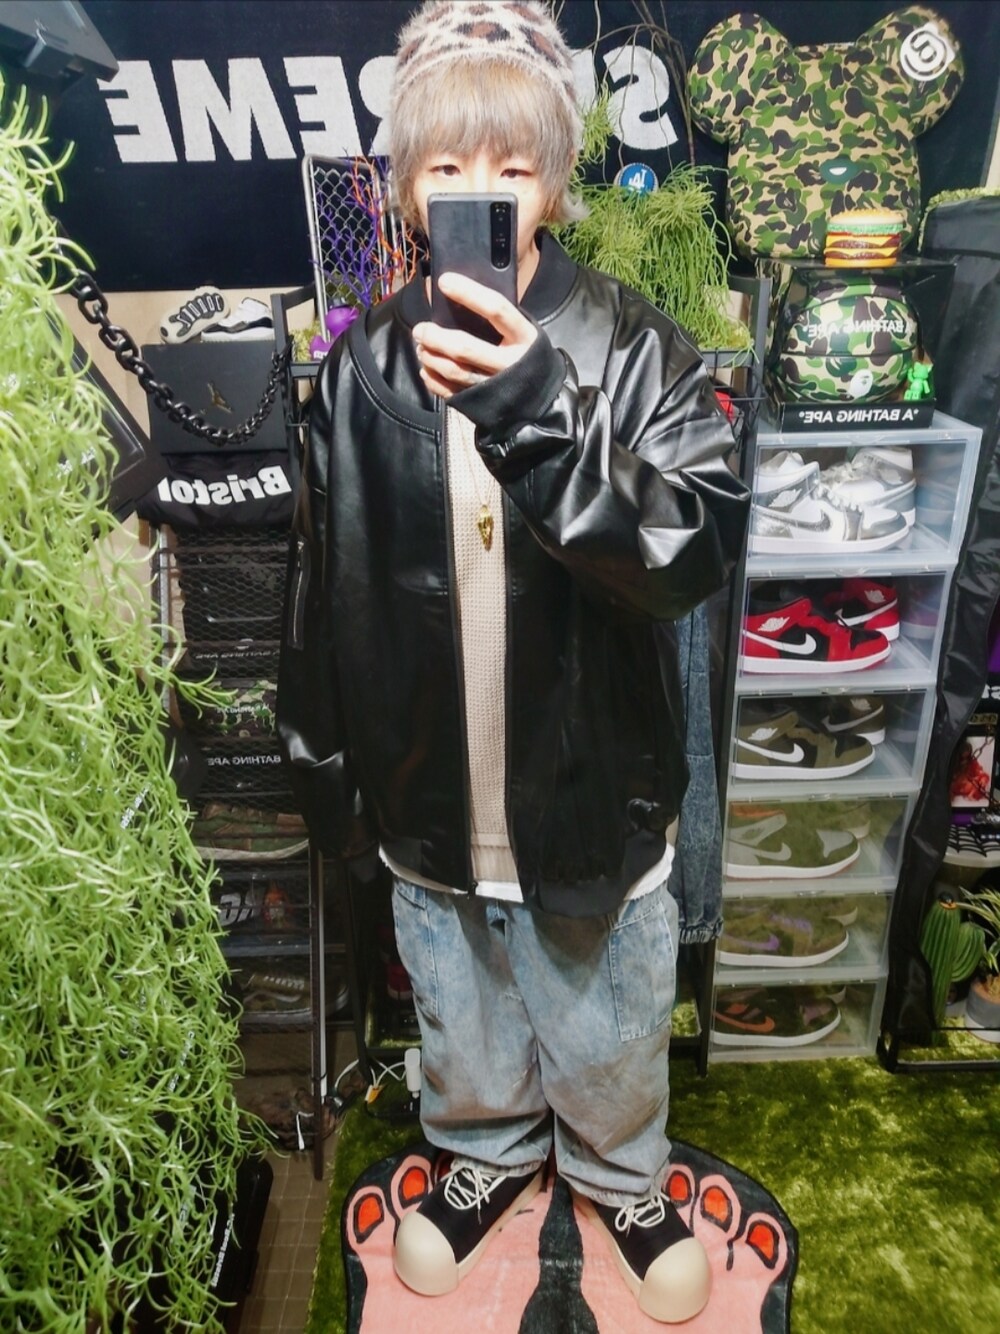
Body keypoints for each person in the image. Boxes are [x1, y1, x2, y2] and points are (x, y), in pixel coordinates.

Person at [277, 0, 749, 1323]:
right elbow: (321, 594)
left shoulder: (631, 346)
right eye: (445, 166)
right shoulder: (363, 372)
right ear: (406, 188)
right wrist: (326, 774)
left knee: (607, 1015)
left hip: (591, 784)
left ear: (553, 178)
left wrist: (537, 407)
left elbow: (691, 549)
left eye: (510, 166)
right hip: (432, 789)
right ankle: (482, 1151)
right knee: (464, 1004)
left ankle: (621, 1170)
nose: (479, 192)